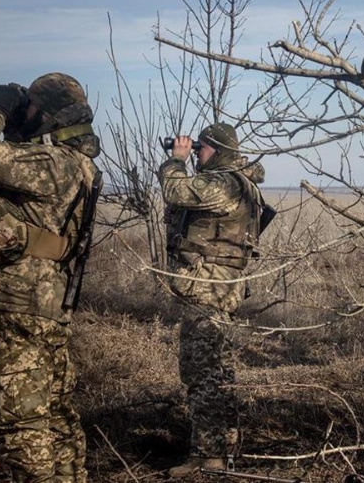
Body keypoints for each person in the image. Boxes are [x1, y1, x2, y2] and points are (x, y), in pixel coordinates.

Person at [0, 72, 101, 483]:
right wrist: (24, 124)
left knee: (24, 428)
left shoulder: (53, 165)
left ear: (50, 117)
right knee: (56, 415)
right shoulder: (78, 165)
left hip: (19, 307)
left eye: (33, 108)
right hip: (48, 306)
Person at [159, 123, 266, 476]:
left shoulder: (225, 183)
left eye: (200, 149)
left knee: (201, 374)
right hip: (220, 288)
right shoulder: (241, 183)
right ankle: (227, 447)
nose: (196, 154)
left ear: (216, 150)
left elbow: (175, 191)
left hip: (209, 288)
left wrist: (176, 160)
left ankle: (207, 458)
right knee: (219, 371)